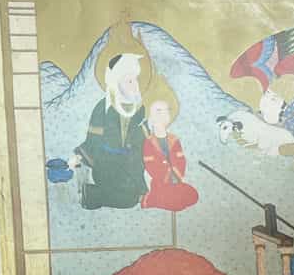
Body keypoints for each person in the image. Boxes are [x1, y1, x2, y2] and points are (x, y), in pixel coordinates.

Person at [71, 52, 148, 210]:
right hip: (107, 165)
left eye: (135, 80)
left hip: (131, 165)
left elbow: (139, 141)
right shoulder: (103, 108)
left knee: (133, 193)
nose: (134, 85)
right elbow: (93, 140)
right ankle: (90, 194)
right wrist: (80, 156)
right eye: (129, 81)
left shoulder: (139, 109)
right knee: (128, 199)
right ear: (116, 82)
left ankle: (100, 195)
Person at [140, 100, 199, 211]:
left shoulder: (174, 139)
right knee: (172, 199)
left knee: (193, 195)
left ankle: (166, 201)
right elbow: (150, 164)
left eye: (166, 111)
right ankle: (154, 199)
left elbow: (180, 158)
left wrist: (176, 174)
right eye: (159, 111)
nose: (163, 115)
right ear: (151, 118)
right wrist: (165, 174)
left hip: (176, 178)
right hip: (160, 181)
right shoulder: (149, 142)